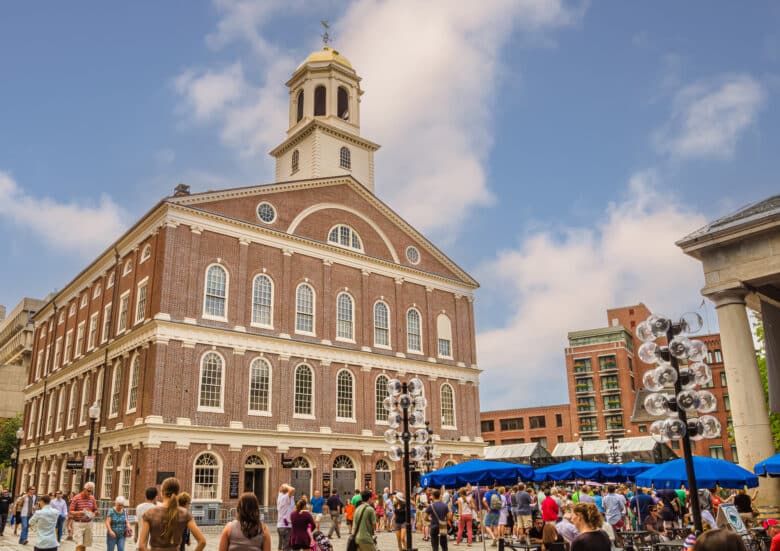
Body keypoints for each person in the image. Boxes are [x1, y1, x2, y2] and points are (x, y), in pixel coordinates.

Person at [138, 477, 206, 551]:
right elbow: (202, 542)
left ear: (162, 492)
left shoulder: (150, 513)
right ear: (177, 493)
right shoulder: (185, 514)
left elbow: (141, 546)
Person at [69, 482, 98, 551]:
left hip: (88, 523)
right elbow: (71, 511)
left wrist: (95, 513)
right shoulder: (76, 498)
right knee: (79, 544)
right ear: (84, 489)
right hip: (78, 523)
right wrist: (79, 513)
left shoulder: (92, 498)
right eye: (88, 491)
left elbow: (95, 509)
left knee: (84, 545)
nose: (90, 493)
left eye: (91, 491)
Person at [276, 484, 296, 551]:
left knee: (280, 545)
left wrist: (283, 486)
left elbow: (282, 490)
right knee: (286, 547)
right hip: (286, 526)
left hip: (279, 525)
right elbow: (292, 489)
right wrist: (286, 486)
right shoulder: (285, 498)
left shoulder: (280, 496)